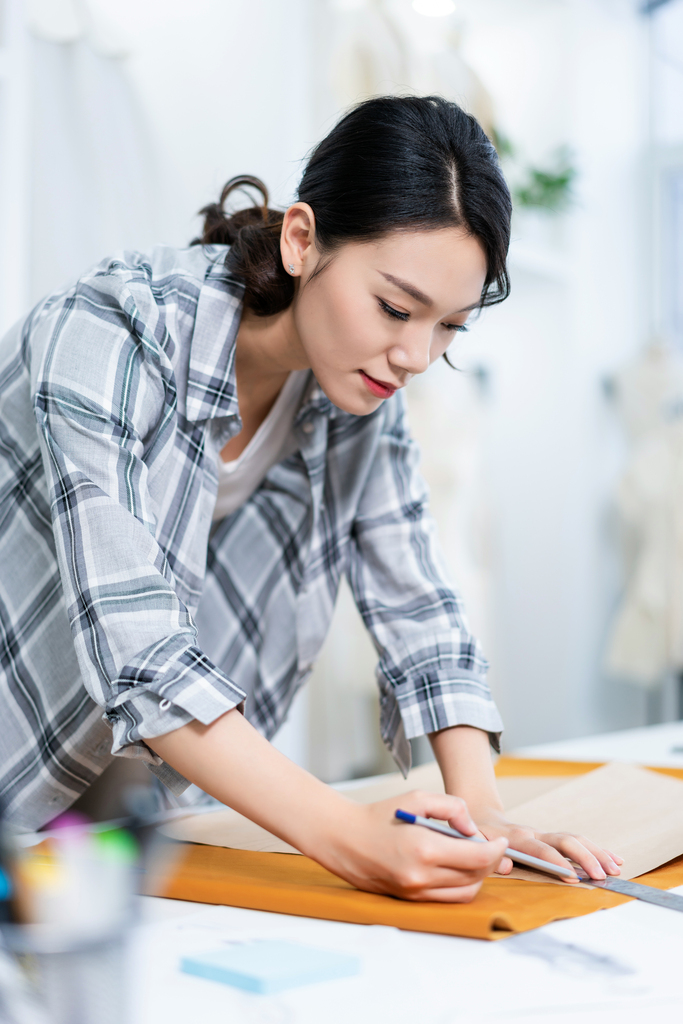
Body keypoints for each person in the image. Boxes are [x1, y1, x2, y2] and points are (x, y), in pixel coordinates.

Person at [0, 96, 622, 901]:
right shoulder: (107, 332)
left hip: (125, 818)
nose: (413, 356)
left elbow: (420, 609)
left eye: (448, 328)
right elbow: (138, 647)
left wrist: (481, 809)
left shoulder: (358, 396)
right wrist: (348, 837)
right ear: (302, 240)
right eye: (395, 308)